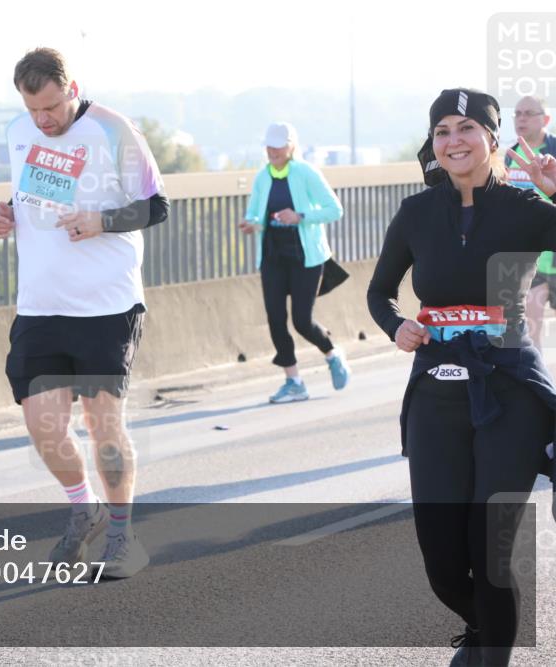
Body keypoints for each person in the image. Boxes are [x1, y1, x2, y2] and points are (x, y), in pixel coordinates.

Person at [367, 88, 556, 667]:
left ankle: (491, 653)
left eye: (468, 128)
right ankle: (481, 629)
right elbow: (380, 292)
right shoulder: (416, 213)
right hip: (437, 391)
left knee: (489, 548)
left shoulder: (528, 210)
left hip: (509, 388)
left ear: (492, 139)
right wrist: (396, 326)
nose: (455, 140)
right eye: (443, 130)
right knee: (443, 559)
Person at [0, 48, 169, 579]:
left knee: (101, 424)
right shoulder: (19, 131)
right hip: (40, 304)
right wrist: (4, 214)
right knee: (42, 425)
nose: (43, 120)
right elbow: (32, 196)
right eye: (32, 108)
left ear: (72, 88)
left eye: (51, 107)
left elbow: (158, 206)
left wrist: (103, 221)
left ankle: (121, 536)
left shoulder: (114, 130)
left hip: (106, 305)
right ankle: (82, 506)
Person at [238, 122, 351, 403]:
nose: (272, 150)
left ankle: (331, 353)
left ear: (291, 146)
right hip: (273, 256)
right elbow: (255, 212)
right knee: (276, 319)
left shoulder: (306, 172)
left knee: (302, 321)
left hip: (305, 257)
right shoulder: (262, 177)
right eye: (269, 145)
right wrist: (252, 223)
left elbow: (334, 209)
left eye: (278, 145)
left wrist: (299, 216)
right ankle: (294, 381)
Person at [505, 96, 556, 351]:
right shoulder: (509, 157)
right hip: (530, 260)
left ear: (545, 119)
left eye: (528, 113)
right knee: (530, 332)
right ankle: (540, 388)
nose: (521, 118)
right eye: (517, 113)